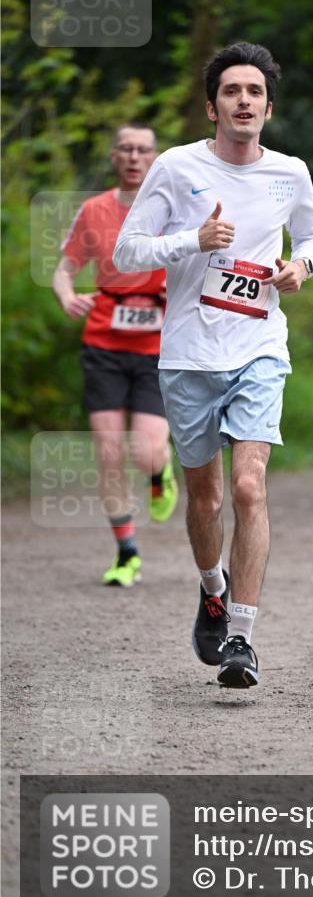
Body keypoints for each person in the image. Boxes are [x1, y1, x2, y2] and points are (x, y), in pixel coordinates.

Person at [113, 43, 313, 688]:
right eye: (231, 91)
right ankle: (212, 587)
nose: (243, 101)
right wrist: (193, 241)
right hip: (187, 356)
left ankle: (241, 637)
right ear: (212, 106)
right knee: (204, 498)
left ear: (268, 105)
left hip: (260, 346)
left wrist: (302, 267)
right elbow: (127, 253)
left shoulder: (291, 172)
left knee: (248, 487)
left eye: (254, 91)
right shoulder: (177, 169)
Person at [53, 123, 178, 586]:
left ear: (155, 157)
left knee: (145, 450)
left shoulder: (176, 208)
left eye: (143, 150)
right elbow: (64, 270)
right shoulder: (94, 210)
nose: (133, 157)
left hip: (158, 348)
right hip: (103, 342)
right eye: (125, 149)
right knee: (109, 452)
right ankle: (126, 552)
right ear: (113, 156)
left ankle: (159, 473)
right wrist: (67, 297)